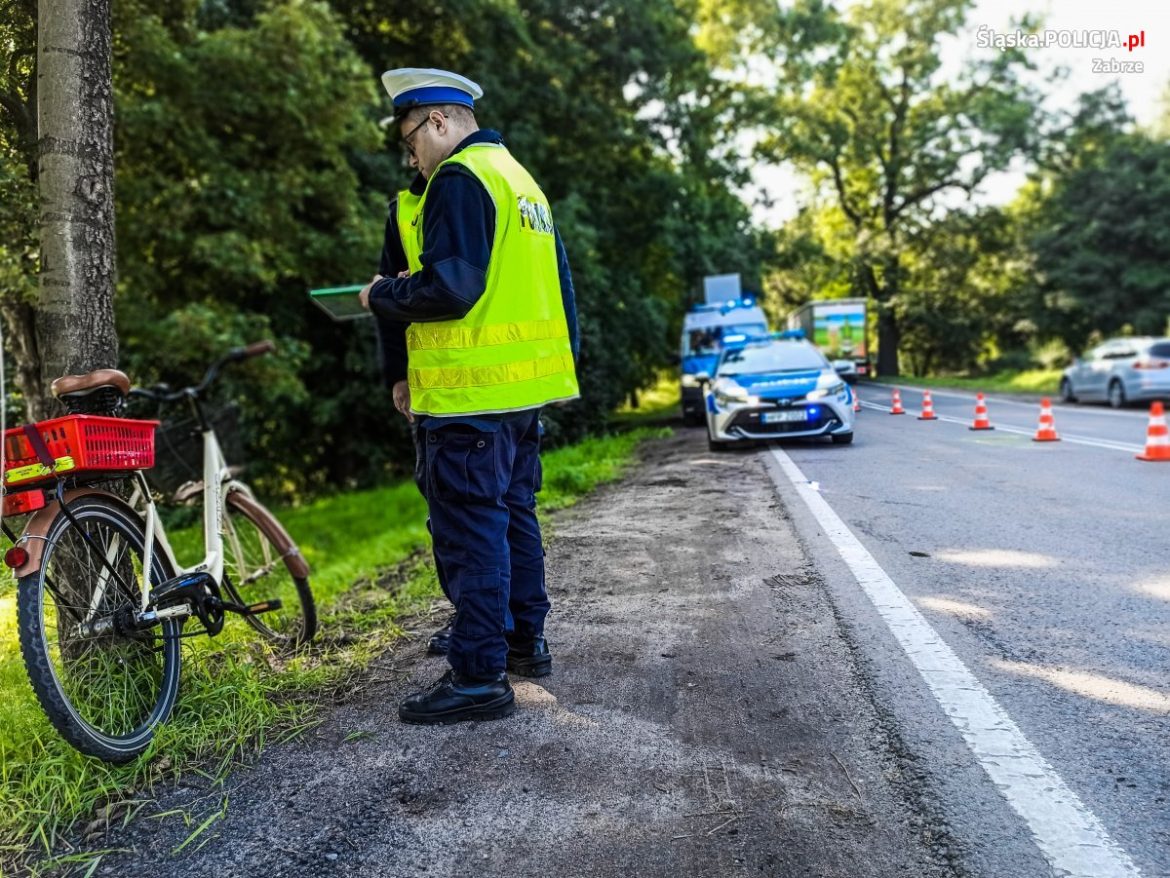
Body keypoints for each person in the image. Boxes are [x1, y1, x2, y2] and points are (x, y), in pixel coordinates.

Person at [359, 68, 580, 725]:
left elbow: (452, 288)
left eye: (408, 141)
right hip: (519, 391)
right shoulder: (519, 179)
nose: (411, 158)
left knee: (470, 529)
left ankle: (480, 674)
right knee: (512, 514)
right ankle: (522, 642)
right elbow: (558, 291)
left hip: (469, 393)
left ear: (437, 122)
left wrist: (379, 296)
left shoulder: (459, 178)